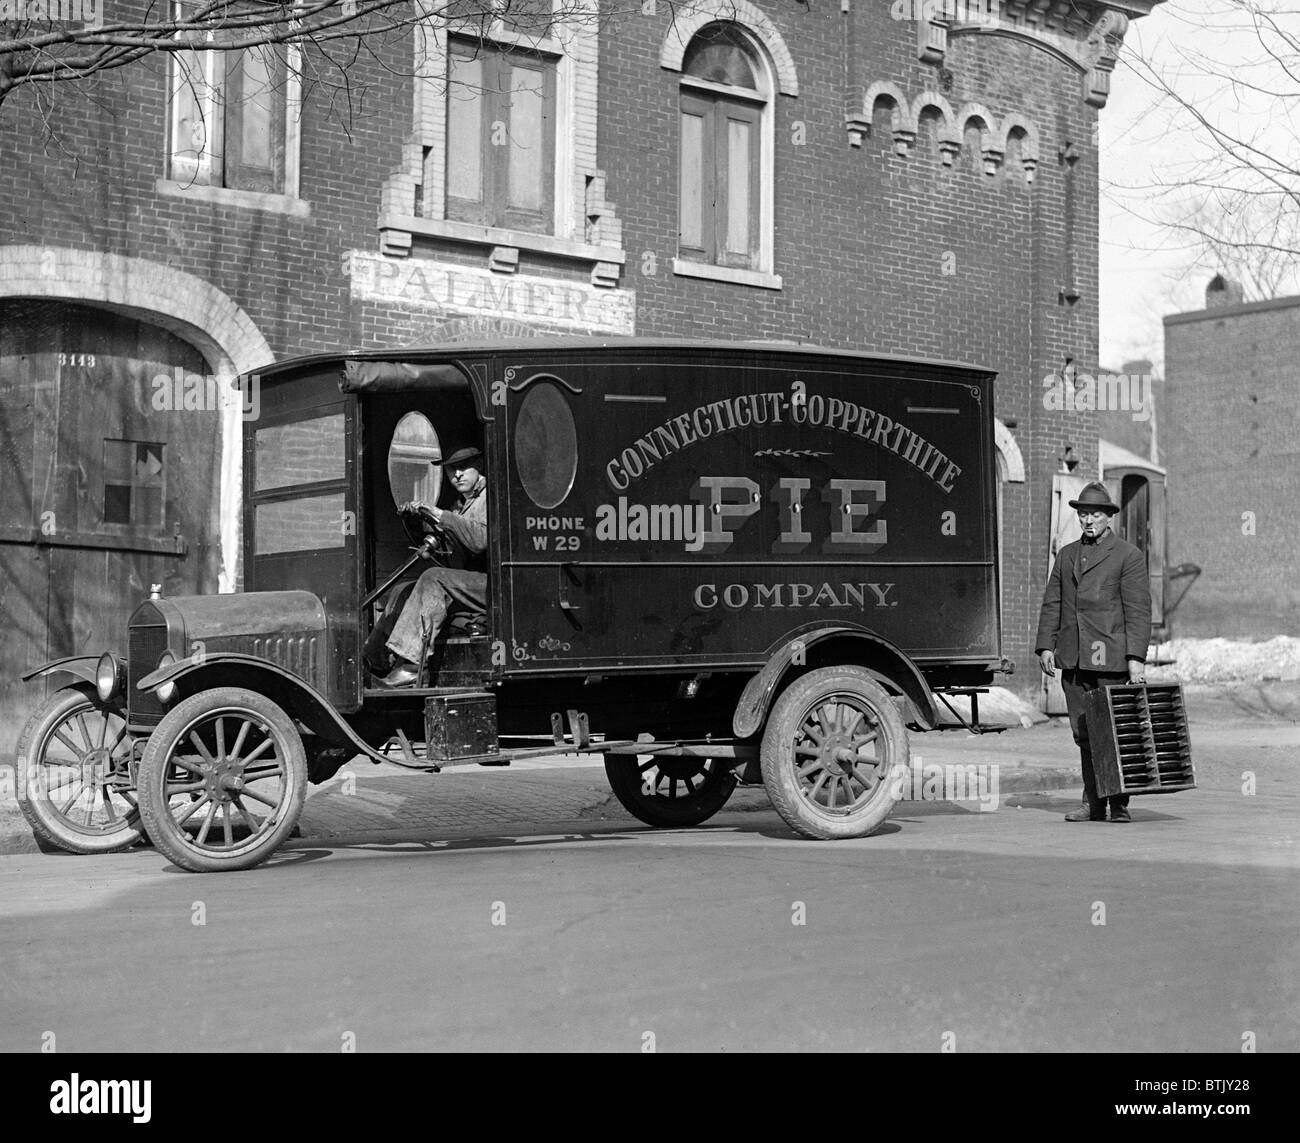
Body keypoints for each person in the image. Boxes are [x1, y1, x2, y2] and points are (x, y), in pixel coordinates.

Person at [1034, 481, 1152, 823]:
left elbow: (1138, 611)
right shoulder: (1067, 554)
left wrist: (1135, 660)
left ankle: (1118, 804)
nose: (1088, 520)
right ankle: (1093, 804)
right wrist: (1046, 645)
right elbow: (1052, 602)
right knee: (1084, 734)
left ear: (1108, 517)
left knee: (1112, 732)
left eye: (1095, 514)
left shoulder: (1128, 556)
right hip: (1073, 658)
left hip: (1111, 658)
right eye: (1083, 514)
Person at [367, 445, 488, 688]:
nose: (457, 475)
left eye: (464, 468)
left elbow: (480, 541)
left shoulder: (491, 497)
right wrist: (416, 520)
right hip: (468, 583)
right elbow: (449, 552)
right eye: (452, 470)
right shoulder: (460, 505)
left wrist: (441, 515)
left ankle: (412, 666)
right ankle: (375, 661)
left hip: (494, 584)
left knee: (433, 578)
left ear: (481, 467)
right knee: (405, 588)